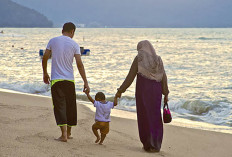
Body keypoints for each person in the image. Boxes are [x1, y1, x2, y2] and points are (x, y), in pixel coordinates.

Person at [115, 40, 169, 152]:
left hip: (144, 90)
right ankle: (156, 144)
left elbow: (130, 76)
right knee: (155, 115)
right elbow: (163, 77)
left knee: (145, 115)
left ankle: (148, 144)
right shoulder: (158, 59)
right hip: (156, 91)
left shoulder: (139, 58)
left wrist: (120, 90)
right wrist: (166, 93)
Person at [42, 22, 90, 142]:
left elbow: (45, 57)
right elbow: (79, 64)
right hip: (69, 80)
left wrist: (45, 73)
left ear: (62, 30)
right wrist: (85, 82)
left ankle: (63, 134)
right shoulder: (74, 44)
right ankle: (68, 133)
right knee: (70, 106)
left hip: (56, 80)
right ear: (72, 31)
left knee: (59, 106)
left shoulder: (53, 41)